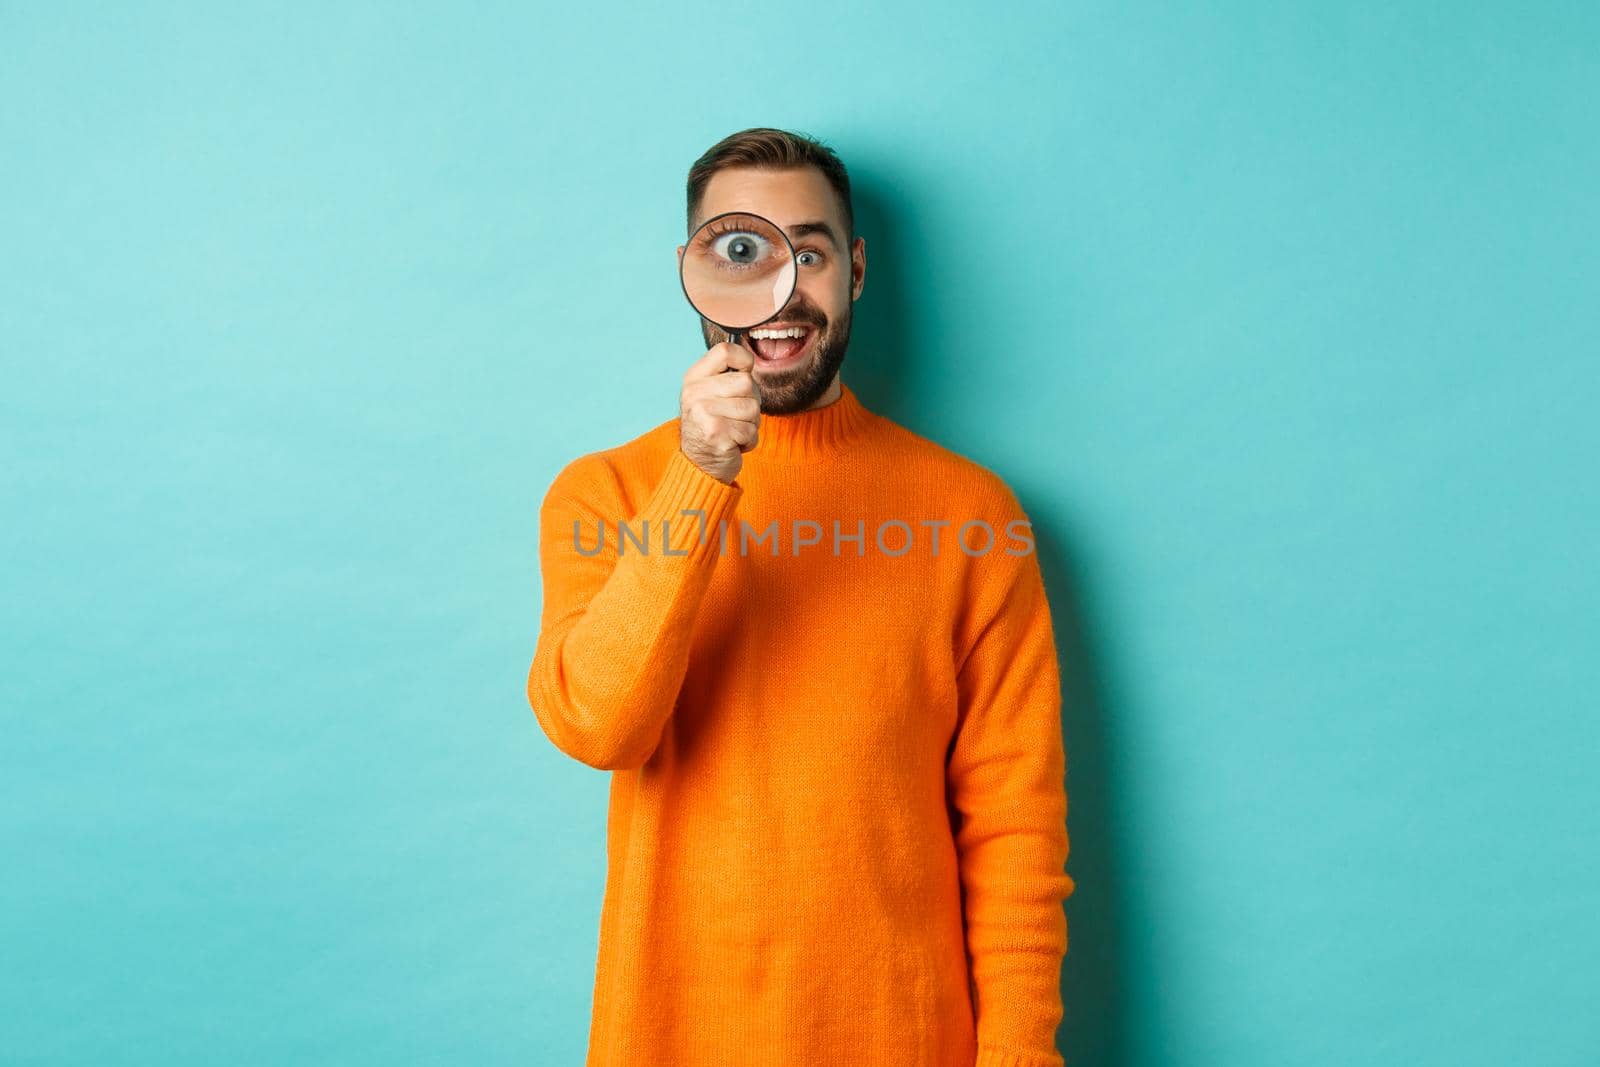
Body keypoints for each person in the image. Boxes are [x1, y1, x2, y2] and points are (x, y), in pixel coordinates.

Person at [528, 126, 1075, 1067]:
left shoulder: (971, 513)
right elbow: (598, 726)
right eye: (741, 251)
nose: (779, 294)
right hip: (674, 1036)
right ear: (691, 269)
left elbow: (1016, 826)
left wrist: (1021, 1056)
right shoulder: (608, 492)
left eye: (809, 253)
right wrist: (699, 474)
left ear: (855, 269)